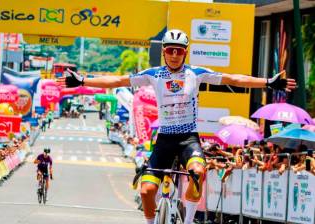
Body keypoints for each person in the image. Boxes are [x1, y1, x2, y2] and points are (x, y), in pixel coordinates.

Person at [58, 29, 296, 224]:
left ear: (185, 52)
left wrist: (268, 82)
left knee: (198, 173)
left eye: (179, 51)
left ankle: (189, 220)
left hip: (188, 139)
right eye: (170, 50)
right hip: (164, 140)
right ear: (164, 52)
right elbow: (117, 80)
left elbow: (235, 79)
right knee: (146, 191)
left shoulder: (196, 73)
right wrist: (82, 80)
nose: (174, 55)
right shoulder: (154, 74)